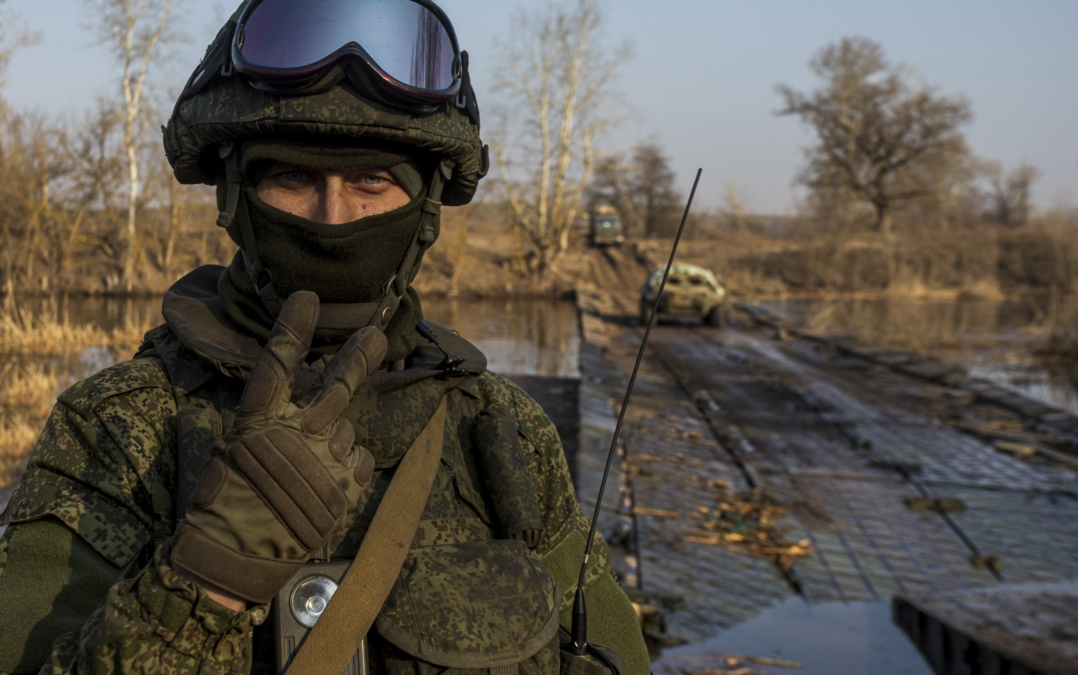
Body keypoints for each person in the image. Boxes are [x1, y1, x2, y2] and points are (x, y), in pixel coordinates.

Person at [0, 1, 651, 673]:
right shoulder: (117, 429)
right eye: (292, 177)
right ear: (234, 195)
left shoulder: (503, 432)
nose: (333, 216)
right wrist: (204, 584)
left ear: (425, 207)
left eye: (371, 180)